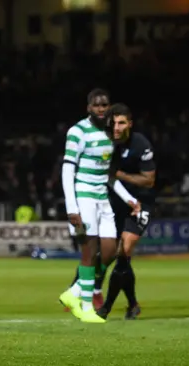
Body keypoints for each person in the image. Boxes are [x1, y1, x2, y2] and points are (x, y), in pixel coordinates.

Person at [58, 89, 140, 323]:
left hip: (102, 198)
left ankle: (72, 293)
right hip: (84, 197)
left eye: (105, 105)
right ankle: (85, 307)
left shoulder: (110, 134)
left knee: (109, 250)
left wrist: (128, 199)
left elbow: (109, 175)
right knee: (89, 252)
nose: (102, 109)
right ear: (88, 108)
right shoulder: (77, 132)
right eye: (97, 105)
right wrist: (71, 207)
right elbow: (67, 169)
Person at [97, 103, 156, 320]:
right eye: (114, 122)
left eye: (122, 122)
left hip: (141, 203)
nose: (117, 127)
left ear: (130, 124)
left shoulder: (141, 144)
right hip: (114, 204)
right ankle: (132, 304)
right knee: (115, 254)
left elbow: (149, 181)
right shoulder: (104, 144)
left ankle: (105, 308)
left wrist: (120, 175)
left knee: (125, 248)